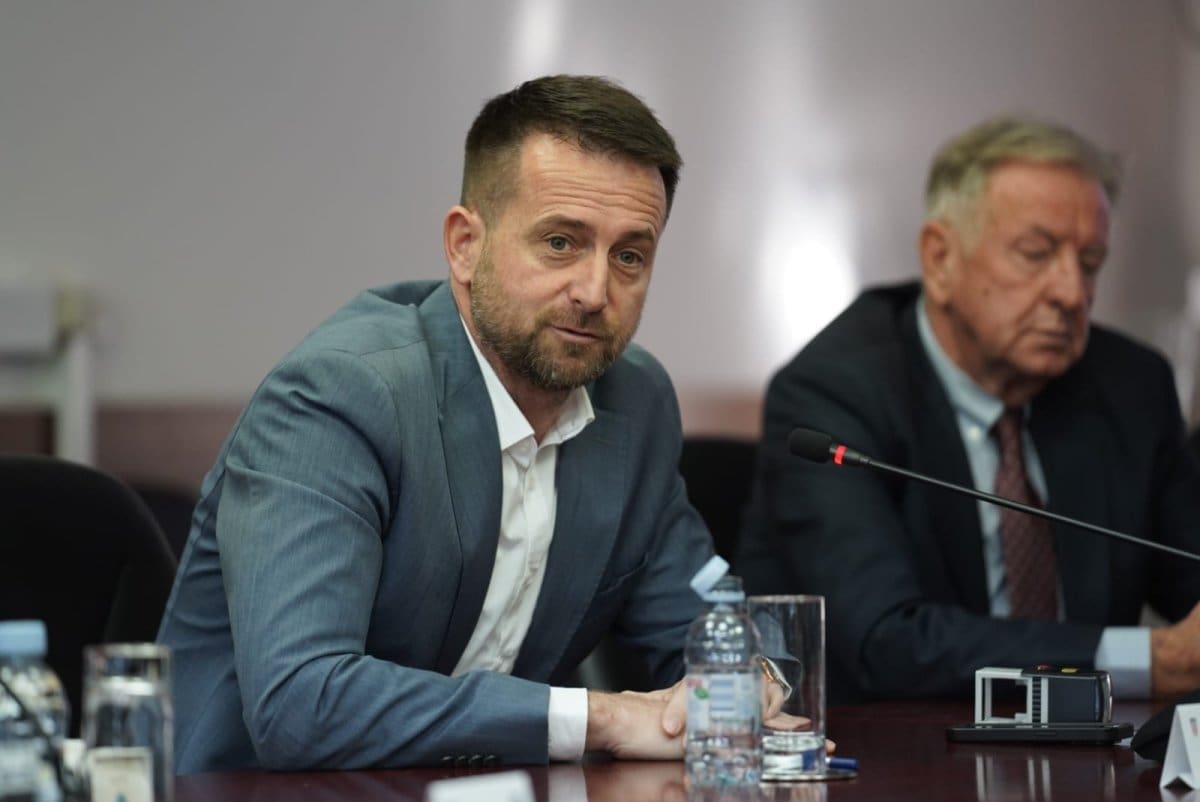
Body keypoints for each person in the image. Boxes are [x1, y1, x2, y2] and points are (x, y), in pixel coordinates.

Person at [158, 74, 718, 772]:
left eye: (629, 255)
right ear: (464, 245)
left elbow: (709, 624)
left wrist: (750, 676)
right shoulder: (339, 395)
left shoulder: (635, 404)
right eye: (560, 243)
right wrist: (598, 717)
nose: (594, 290)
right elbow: (301, 702)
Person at [738, 116, 1200, 705]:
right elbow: (885, 642)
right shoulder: (832, 394)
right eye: (1036, 254)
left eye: (1089, 262)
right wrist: (1148, 660)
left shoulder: (1130, 387)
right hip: (894, 749)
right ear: (940, 258)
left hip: (1097, 747)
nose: (1071, 293)